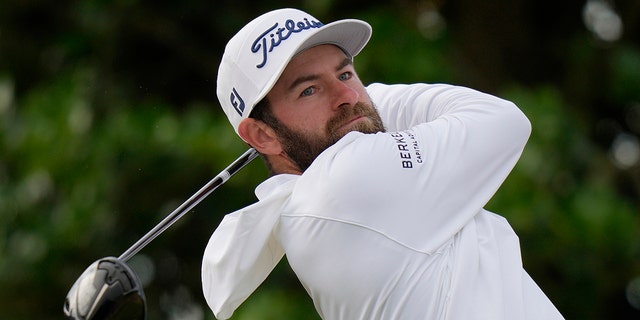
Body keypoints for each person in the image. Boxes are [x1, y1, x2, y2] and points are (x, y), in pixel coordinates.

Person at [201, 7, 563, 320]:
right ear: (263, 136)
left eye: (345, 74)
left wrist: (354, 108)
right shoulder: (345, 182)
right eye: (309, 90)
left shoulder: (307, 208)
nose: (347, 95)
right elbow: (503, 121)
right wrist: (368, 104)